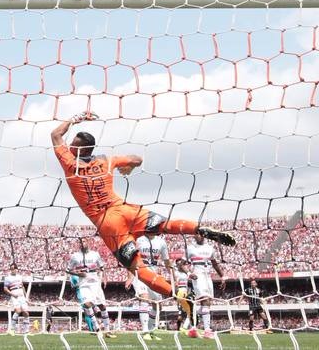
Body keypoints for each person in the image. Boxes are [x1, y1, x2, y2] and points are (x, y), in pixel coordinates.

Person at [50, 112, 235, 303]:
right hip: (126, 210)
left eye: (72, 143)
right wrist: (130, 167)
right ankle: (199, 229)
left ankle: (178, 294)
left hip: (108, 224)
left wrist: (74, 119)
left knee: (138, 267)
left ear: (77, 148)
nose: (69, 145)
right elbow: (137, 159)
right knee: (167, 225)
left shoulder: (70, 163)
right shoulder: (106, 161)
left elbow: (56, 135)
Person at [67, 241, 116, 337]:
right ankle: (97, 329)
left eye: (84, 241)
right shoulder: (75, 256)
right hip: (83, 284)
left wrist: (104, 278)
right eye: (80, 242)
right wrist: (78, 274)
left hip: (95, 283)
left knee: (102, 306)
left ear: (88, 242)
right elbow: (68, 270)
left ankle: (107, 330)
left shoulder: (95, 254)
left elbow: (102, 267)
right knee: (86, 304)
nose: (82, 243)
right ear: (79, 244)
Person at [184, 231, 226, 339]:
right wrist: (189, 273)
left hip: (208, 276)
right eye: (196, 234)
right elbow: (180, 263)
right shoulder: (190, 248)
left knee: (207, 304)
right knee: (205, 300)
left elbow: (214, 263)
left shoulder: (210, 248)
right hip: (198, 276)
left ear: (204, 235)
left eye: (200, 234)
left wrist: (222, 276)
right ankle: (207, 331)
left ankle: (191, 326)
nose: (197, 236)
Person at [128, 234, 170, 340]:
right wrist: (130, 277)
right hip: (140, 273)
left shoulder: (161, 242)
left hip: (153, 276)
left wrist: (174, 278)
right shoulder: (138, 240)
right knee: (144, 297)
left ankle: (151, 331)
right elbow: (130, 259)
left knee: (158, 305)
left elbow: (167, 262)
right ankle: (145, 331)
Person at [3, 265, 30, 334]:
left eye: (15, 269)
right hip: (14, 295)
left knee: (26, 312)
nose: (14, 270)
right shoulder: (7, 278)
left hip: (22, 295)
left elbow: (22, 286)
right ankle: (12, 329)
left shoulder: (19, 277)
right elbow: (5, 289)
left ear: (17, 269)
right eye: (12, 269)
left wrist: (26, 296)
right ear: (10, 270)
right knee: (18, 311)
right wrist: (13, 294)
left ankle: (26, 330)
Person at [173, 258, 194, 334]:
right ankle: (181, 329)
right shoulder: (176, 273)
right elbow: (175, 283)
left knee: (188, 312)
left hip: (186, 292)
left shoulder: (186, 273)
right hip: (180, 292)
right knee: (182, 313)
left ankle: (184, 328)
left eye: (182, 263)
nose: (180, 265)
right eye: (179, 264)